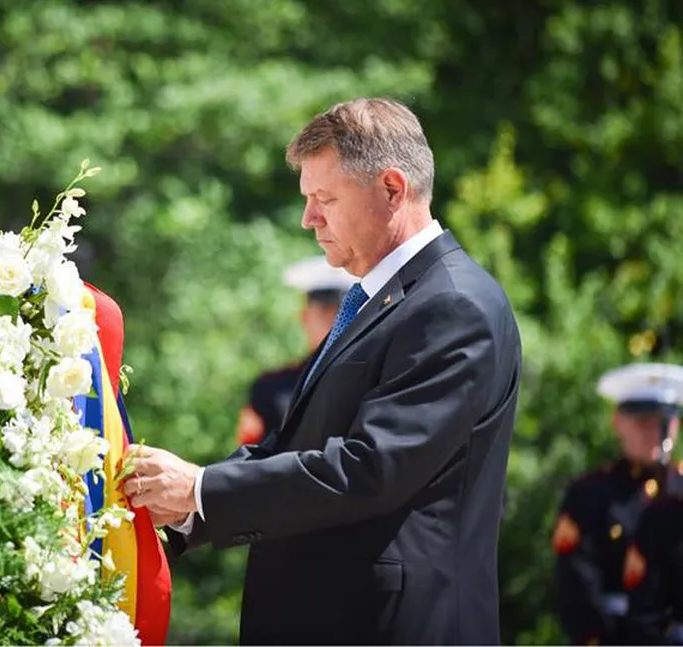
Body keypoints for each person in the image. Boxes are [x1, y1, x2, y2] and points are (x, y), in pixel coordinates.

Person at [122, 97, 522, 644]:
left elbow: (369, 468)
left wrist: (204, 488)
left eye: (324, 198)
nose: (309, 218)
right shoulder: (381, 299)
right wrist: (189, 506)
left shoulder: (453, 306)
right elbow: (303, 443)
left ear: (391, 189)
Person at [553, 363, 682, 645]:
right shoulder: (589, 493)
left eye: (663, 422)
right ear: (617, 421)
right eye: (643, 420)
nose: (654, 433)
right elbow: (578, 587)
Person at [236, 256, 354, 446]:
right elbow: (250, 454)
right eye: (326, 310)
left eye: (344, 311)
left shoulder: (374, 377)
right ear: (305, 317)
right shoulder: (271, 387)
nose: (336, 320)